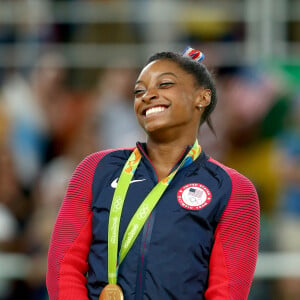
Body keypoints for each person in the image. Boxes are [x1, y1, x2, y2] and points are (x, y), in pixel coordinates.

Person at [46, 47, 260, 300]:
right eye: (139, 91)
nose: (147, 96)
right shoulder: (96, 170)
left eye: (165, 84)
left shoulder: (233, 189)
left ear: (201, 97)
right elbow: (63, 267)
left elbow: (227, 292)